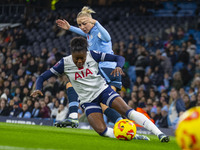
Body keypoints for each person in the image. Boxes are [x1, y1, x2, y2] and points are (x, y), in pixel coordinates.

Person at [31, 37, 169, 142]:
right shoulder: (64, 63)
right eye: (76, 59)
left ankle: (159, 134)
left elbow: (119, 57)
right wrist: (38, 88)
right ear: (71, 54)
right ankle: (133, 136)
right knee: (101, 130)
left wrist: (119, 66)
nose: (79, 61)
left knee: (128, 111)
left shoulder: (93, 55)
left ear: (86, 53)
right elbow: (42, 77)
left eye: (82, 59)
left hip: (103, 91)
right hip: (87, 100)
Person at [56, 6, 122, 127]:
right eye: (80, 24)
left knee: (73, 83)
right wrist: (70, 27)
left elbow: (108, 38)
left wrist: (96, 22)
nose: (82, 27)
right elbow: (83, 32)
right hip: (103, 70)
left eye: (84, 24)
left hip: (107, 70)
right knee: (104, 105)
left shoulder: (98, 32)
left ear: (91, 22)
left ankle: (73, 117)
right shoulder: (90, 33)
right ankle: (121, 123)